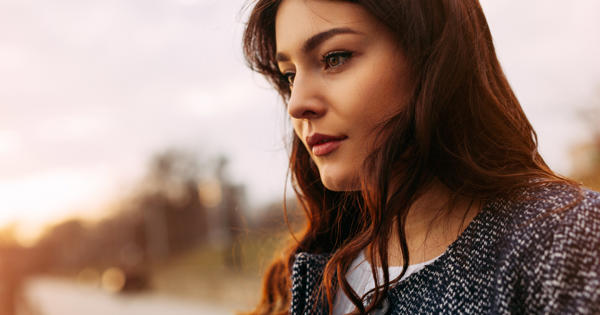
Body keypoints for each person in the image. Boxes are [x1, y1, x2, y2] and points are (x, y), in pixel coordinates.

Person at [242, 0, 600, 314]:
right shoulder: (315, 269)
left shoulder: (563, 238)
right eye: (290, 75)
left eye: (335, 58)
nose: (297, 104)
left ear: (432, 57)